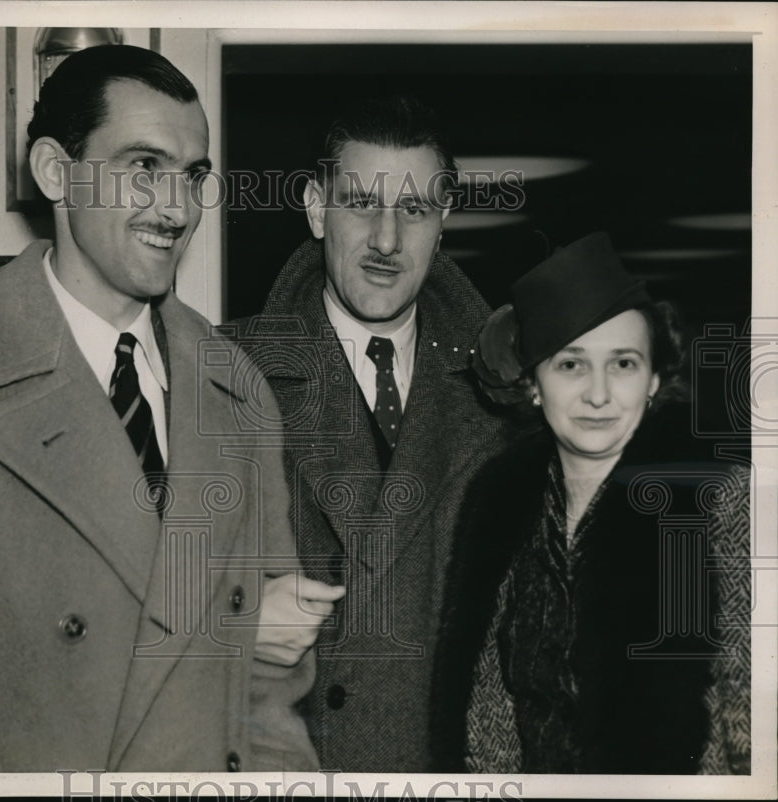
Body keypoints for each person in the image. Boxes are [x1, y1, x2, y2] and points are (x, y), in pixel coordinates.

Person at [0, 44, 322, 772]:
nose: (176, 207)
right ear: (55, 172)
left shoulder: (236, 389)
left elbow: (269, 683)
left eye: (192, 175)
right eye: (143, 167)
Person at [232, 96, 505, 772]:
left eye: (413, 211)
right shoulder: (223, 376)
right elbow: (124, 604)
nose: (386, 239)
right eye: (360, 203)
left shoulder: (511, 397)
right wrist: (232, 624)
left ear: (443, 224)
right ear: (315, 209)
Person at [429, 231, 751, 774]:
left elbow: (753, 729)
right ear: (534, 385)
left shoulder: (722, 501)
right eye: (571, 365)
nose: (598, 394)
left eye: (623, 364)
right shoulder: (499, 504)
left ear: (653, 380)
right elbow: (485, 716)